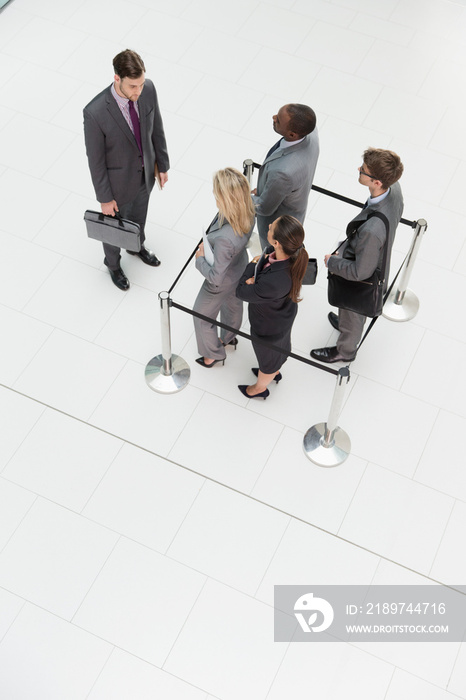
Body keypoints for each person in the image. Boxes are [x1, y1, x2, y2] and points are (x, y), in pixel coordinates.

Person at [83, 49, 169, 291]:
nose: (138, 92)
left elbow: (157, 128)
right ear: (117, 79)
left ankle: (136, 246)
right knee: (112, 231)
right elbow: (95, 161)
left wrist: (162, 164)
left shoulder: (148, 89)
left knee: (139, 216)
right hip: (116, 185)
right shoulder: (95, 112)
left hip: (145, 176)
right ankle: (112, 264)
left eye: (141, 84)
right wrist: (105, 198)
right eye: (133, 86)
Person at [311, 148, 404, 363]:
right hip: (374, 254)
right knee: (349, 314)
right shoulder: (394, 188)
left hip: (363, 274)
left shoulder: (372, 231)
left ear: (377, 182)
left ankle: (345, 350)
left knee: (352, 311)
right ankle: (346, 325)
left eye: (363, 170)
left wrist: (332, 262)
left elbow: (360, 272)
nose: (359, 170)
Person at [236, 215, 309, 399]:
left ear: (277, 242)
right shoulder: (289, 254)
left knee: (268, 359)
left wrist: (253, 264)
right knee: (276, 351)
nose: (268, 225)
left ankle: (260, 387)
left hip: (269, 326)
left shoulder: (276, 281)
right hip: (280, 315)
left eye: (271, 228)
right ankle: (274, 370)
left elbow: (240, 291)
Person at [194, 168, 255, 367]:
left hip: (221, 280)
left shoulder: (224, 239)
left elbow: (216, 277)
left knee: (201, 316)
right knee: (233, 304)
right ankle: (230, 337)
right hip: (239, 268)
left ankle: (212, 354)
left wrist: (200, 259)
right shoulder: (249, 210)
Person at [252, 104, 319, 250]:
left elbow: (264, 207)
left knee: (270, 256)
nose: (273, 118)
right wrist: (268, 188)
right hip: (294, 204)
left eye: (278, 121)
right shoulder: (311, 133)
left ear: (292, 134)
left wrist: (240, 198)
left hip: (277, 226)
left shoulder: (283, 173)